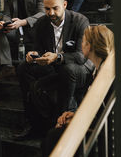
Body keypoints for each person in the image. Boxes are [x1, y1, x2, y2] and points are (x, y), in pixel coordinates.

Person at [14, 0, 92, 140]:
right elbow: (37, 48)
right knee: (24, 67)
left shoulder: (80, 21)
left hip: (78, 68)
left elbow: (81, 56)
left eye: (55, 8)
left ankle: (57, 122)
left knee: (67, 70)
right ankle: (33, 122)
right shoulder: (42, 22)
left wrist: (58, 57)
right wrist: (33, 55)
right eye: (47, 8)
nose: (50, 13)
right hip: (52, 66)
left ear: (64, 4)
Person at [41, 25, 115, 157]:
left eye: (83, 41)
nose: (81, 44)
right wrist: (74, 115)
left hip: (104, 135)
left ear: (90, 46)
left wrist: (75, 122)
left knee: (53, 137)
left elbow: (106, 116)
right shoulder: (97, 69)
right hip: (95, 125)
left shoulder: (107, 73)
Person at [0, 0, 46, 77]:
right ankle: (7, 67)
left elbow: (42, 13)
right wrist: (6, 23)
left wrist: (23, 22)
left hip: (35, 28)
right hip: (16, 28)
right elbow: (7, 14)